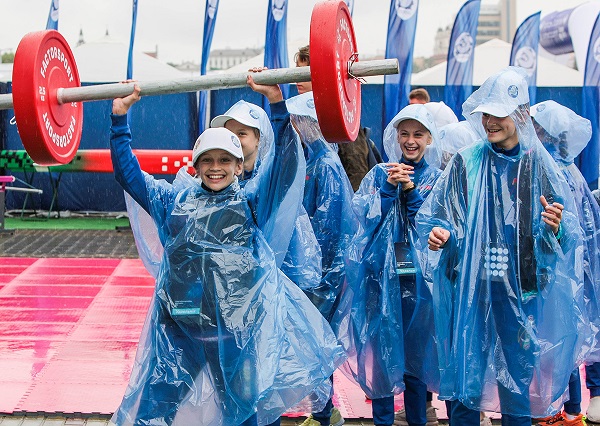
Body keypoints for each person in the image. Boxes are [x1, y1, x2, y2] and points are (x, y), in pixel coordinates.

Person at [108, 80, 346, 426]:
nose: (215, 167)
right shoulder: (172, 202)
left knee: (246, 414)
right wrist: (119, 119)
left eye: (224, 160)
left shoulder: (252, 204)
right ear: (196, 164)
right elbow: (128, 174)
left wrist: (277, 106)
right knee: (153, 412)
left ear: (238, 166)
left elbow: (286, 166)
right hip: (179, 329)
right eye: (207, 160)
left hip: (235, 335)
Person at [415, 67, 588, 425]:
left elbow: (568, 235)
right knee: (466, 379)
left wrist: (553, 230)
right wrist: (442, 235)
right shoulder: (467, 162)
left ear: (521, 112)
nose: (490, 121)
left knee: (517, 381)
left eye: (500, 113)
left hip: (523, 294)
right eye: (486, 113)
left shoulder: (541, 164)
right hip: (471, 291)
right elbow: (439, 217)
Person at [334, 103, 442, 426]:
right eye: (405, 134)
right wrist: (387, 189)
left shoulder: (435, 179)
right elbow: (363, 222)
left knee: (415, 365)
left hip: (417, 290)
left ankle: (417, 419)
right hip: (380, 285)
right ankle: (382, 421)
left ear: (429, 139)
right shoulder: (380, 174)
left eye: (418, 134)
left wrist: (410, 192)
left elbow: (431, 226)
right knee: (381, 362)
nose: (411, 141)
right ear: (396, 137)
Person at [282, 91, 356, 426]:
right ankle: (323, 411)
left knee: (318, 344)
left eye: (299, 120)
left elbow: (328, 232)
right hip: (317, 275)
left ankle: (324, 415)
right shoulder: (315, 161)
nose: (295, 127)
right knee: (315, 343)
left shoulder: (324, 166)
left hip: (322, 277)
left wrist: (319, 280)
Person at [529, 100, 599, 426]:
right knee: (565, 337)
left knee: (560, 340)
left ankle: (565, 411)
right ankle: (568, 410)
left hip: (559, 269)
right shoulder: (570, 170)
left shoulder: (554, 170)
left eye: (538, 128)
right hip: (570, 269)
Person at [294, 44, 383, 192]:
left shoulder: (339, 118)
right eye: (296, 72)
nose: (297, 79)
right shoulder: (298, 115)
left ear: (321, 74)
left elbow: (357, 173)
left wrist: (349, 212)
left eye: (305, 73)